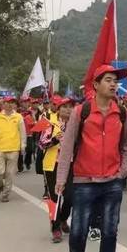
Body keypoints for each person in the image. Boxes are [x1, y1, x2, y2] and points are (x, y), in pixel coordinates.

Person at [55, 65, 127, 252]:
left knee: (110, 232)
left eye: (115, 81)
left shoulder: (122, 113)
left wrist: (122, 171)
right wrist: (61, 179)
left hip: (112, 183)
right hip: (84, 182)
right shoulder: (82, 111)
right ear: (96, 85)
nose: (113, 84)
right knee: (78, 232)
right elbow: (67, 146)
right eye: (108, 80)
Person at [39, 98, 75, 243]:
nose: (67, 109)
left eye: (70, 107)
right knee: (54, 198)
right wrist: (54, 139)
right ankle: (55, 228)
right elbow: (41, 143)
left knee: (70, 196)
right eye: (64, 107)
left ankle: (63, 218)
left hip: (71, 164)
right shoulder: (49, 122)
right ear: (58, 109)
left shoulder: (76, 124)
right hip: (52, 164)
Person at [0, 96, 26, 203]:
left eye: (12, 102)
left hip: (14, 149)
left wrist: (23, 146)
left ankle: (6, 194)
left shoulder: (18, 117)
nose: (9, 104)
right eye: (7, 102)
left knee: (9, 174)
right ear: (3, 104)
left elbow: (22, 133)